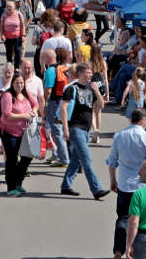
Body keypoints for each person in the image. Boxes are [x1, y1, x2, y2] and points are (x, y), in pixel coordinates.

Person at [107, 108, 146, 259]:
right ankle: (134, 250)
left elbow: (112, 161)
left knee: (122, 218)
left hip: (124, 184)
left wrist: (113, 180)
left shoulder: (119, 136)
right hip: (142, 186)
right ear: (143, 120)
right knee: (141, 220)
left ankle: (118, 250)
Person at [60, 62, 109, 199]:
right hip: (75, 128)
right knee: (86, 159)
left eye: (91, 73)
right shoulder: (72, 89)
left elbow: (100, 106)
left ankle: (65, 186)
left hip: (86, 129)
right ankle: (96, 189)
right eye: (88, 73)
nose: (90, 76)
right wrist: (65, 128)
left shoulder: (91, 89)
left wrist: (98, 92)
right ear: (80, 74)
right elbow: (63, 108)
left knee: (76, 160)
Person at [0, 71, 39, 196]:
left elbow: (36, 104)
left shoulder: (25, 94)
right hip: (10, 133)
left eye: (21, 83)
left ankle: (18, 182)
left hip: (24, 133)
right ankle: (11, 188)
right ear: (12, 83)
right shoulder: (8, 95)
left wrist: (32, 112)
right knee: (11, 160)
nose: (20, 85)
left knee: (28, 156)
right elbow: (7, 115)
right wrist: (24, 116)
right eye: (17, 83)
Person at [90, 44, 110, 142]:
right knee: (99, 111)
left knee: (91, 111)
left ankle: (95, 131)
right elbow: (106, 79)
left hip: (92, 87)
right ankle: (98, 130)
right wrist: (107, 93)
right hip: (101, 86)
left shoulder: (89, 63)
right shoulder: (103, 63)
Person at [0, 0, 26, 67]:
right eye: (7, 6)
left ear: (14, 7)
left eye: (10, 6)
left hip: (17, 37)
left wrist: (23, 35)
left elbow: (22, 25)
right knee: (9, 52)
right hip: (7, 37)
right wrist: (2, 35)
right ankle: (10, 66)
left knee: (18, 51)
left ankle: (16, 67)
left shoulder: (19, 14)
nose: (8, 8)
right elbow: (1, 26)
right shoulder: (4, 15)